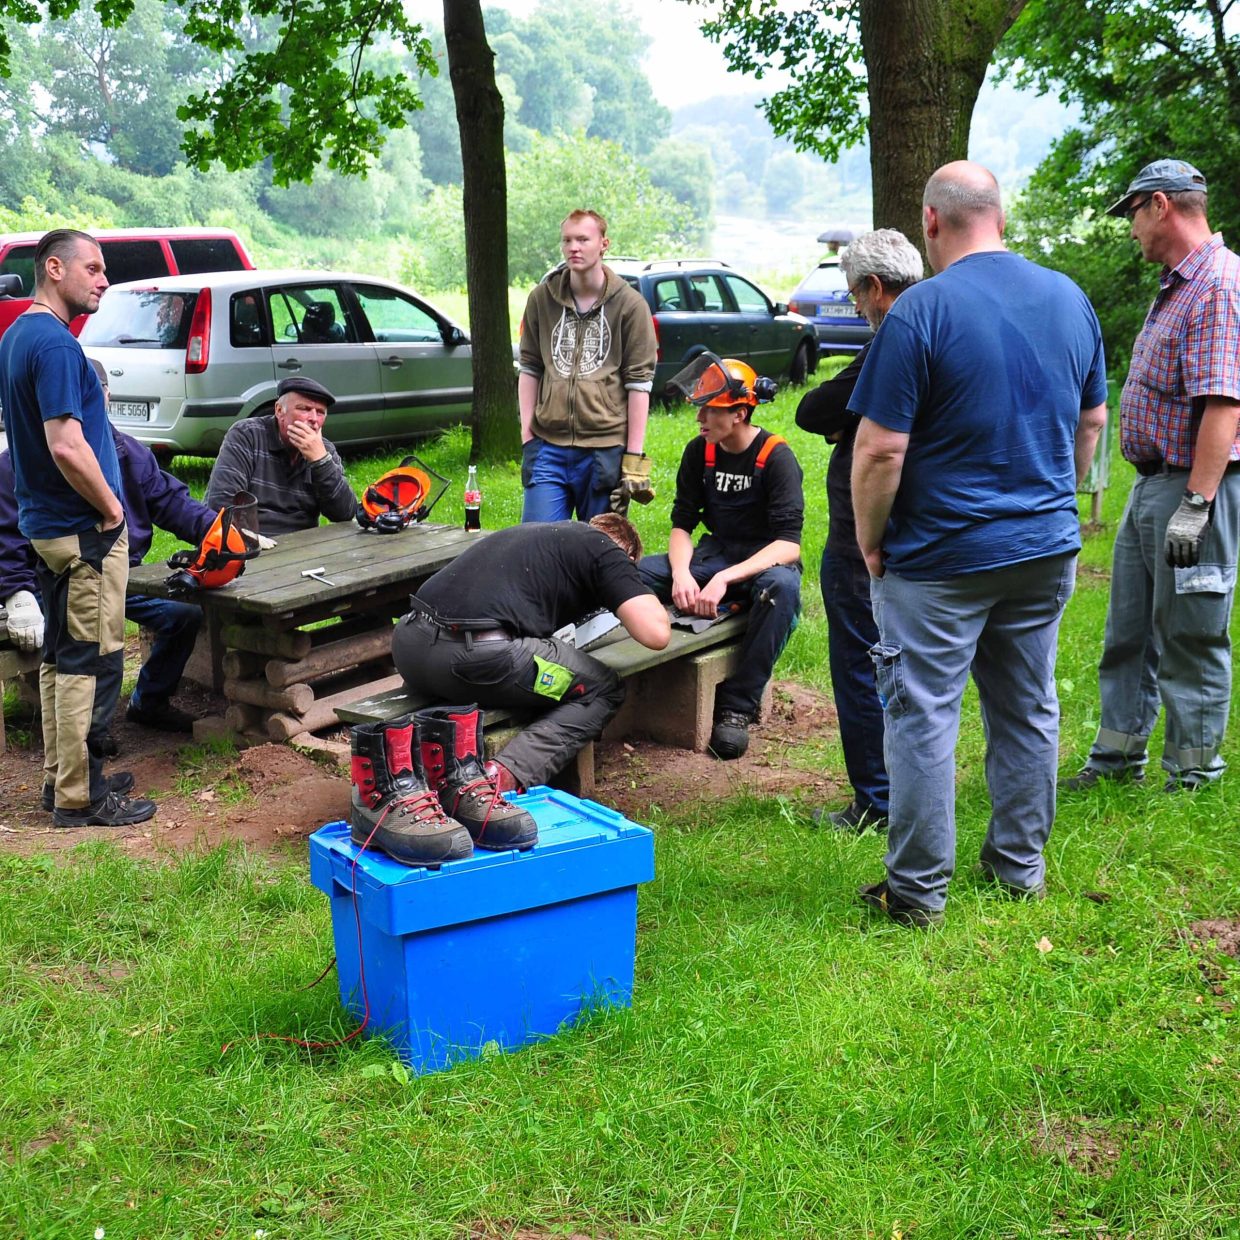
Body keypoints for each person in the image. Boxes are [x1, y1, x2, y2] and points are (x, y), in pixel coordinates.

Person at [849, 162, 1108, 928]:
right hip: (1044, 547)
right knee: (1027, 709)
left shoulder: (920, 311)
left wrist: (870, 542)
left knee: (924, 715)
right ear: (999, 213)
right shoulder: (1069, 298)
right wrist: (1054, 499)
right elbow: (1091, 424)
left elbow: (879, 451)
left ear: (931, 222)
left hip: (940, 558)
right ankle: (1018, 869)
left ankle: (919, 895)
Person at [1065, 159, 1240, 794]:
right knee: (1130, 631)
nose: (1131, 229)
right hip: (1152, 483)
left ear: (1160, 205)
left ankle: (1194, 775)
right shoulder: (1178, 283)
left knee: (1191, 630)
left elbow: (1223, 404)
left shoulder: (1217, 285)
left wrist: (1197, 503)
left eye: (1133, 214)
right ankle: (1117, 759)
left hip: (1194, 487)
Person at [0, 228, 157, 828]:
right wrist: (112, 510)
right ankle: (81, 796)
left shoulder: (18, 335)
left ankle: (60, 778)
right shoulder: (59, 347)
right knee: (91, 661)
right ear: (55, 268)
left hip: (44, 524)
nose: (103, 279)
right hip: (81, 529)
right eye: (92, 268)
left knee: (60, 660)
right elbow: (66, 445)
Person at [0, 359, 217, 738]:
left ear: (106, 396)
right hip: (52, 581)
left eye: (91, 393)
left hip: (123, 574)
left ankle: (149, 702)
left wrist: (221, 531)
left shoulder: (128, 452)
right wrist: (17, 593)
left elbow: (172, 502)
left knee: (182, 614)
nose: (82, 406)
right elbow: (7, 539)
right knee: (90, 638)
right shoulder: (20, 463)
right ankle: (86, 739)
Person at [392, 514, 671, 794]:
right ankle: (497, 781)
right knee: (604, 689)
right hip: (476, 659)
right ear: (627, 556)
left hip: (408, 647)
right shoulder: (604, 550)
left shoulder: (538, 534)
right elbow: (656, 634)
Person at [795, 229, 924, 829]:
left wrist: (848, 425)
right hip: (924, 525)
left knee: (860, 660)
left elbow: (814, 409)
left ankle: (875, 799)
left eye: (853, 294)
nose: (854, 306)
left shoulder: (890, 339)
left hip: (863, 535)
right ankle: (902, 790)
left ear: (875, 287)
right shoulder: (940, 326)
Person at [638, 354, 803, 760]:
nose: (701, 420)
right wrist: (680, 574)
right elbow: (682, 525)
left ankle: (736, 709)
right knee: (635, 575)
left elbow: (789, 544)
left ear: (741, 412)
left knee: (781, 591)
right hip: (715, 555)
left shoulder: (776, 456)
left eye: (711, 411)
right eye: (701, 410)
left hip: (763, 563)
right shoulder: (700, 452)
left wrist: (726, 579)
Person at [518, 209, 658, 523]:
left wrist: (633, 459)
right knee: (536, 546)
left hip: (604, 449)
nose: (574, 247)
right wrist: (527, 437)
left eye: (583, 239)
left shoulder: (630, 306)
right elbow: (529, 368)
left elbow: (639, 384)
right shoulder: (541, 299)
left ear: (603, 244)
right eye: (567, 240)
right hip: (547, 446)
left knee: (598, 551)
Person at [204, 376, 355, 535]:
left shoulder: (325, 451)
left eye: (320, 412)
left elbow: (344, 514)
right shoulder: (247, 436)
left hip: (303, 546)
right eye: (304, 408)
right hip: (249, 543)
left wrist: (321, 462)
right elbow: (222, 504)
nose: (313, 419)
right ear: (279, 410)